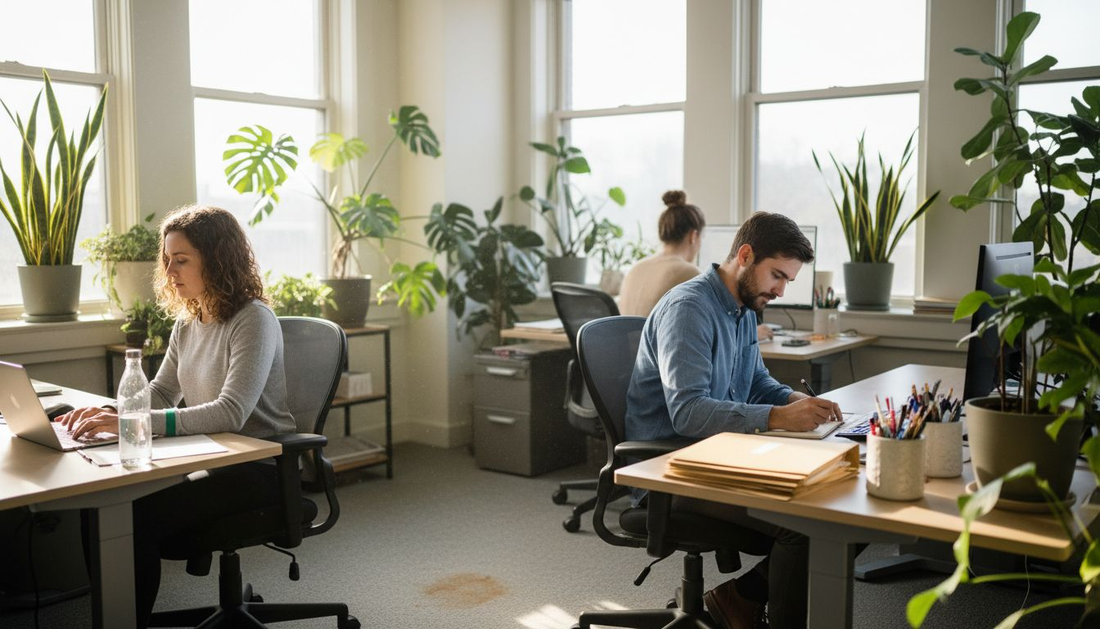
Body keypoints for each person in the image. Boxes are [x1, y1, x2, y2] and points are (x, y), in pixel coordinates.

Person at [59, 205, 295, 627]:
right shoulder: (189, 320)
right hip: (209, 459)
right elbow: (162, 391)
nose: (169, 271)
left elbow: (231, 412)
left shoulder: (253, 320)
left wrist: (134, 424)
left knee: (134, 513)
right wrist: (113, 412)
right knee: (100, 504)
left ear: (218, 259)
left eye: (181, 260)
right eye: (166, 260)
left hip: (258, 466)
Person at [625, 211, 840, 629]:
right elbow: (688, 412)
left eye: (787, 281)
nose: (779, 290)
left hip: (717, 458)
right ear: (745, 255)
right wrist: (779, 417)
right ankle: (746, 602)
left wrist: (797, 401)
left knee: (832, 502)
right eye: (776, 276)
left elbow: (755, 380)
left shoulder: (743, 308)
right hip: (669, 470)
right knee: (804, 525)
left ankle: (738, 598)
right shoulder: (690, 309)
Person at [618, 190, 775, 342]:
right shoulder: (688, 273)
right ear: (694, 236)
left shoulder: (635, 268)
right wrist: (753, 333)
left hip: (627, 364)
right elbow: (713, 330)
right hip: (663, 360)